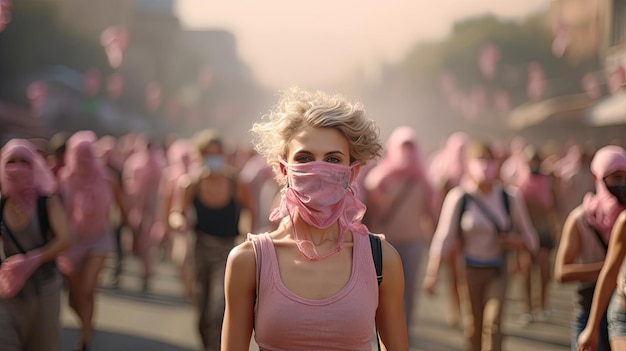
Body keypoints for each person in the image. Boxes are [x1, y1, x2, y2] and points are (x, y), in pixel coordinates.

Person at [220, 88, 408, 350]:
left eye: (332, 159)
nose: (319, 169)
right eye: (305, 158)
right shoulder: (249, 261)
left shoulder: (381, 260)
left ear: (351, 173)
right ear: (284, 169)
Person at [423, 139, 538, 351]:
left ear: (497, 164)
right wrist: (433, 274)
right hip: (469, 270)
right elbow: (443, 237)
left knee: (492, 324)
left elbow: (530, 237)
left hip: (498, 269)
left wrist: (516, 243)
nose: (485, 166)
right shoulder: (459, 197)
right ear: (469, 164)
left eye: (489, 161)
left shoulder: (509, 197)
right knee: (473, 328)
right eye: (480, 161)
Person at [169, 128, 254, 351]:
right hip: (199, 249)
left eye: (217, 153)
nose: (213, 158)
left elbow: (248, 210)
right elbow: (176, 211)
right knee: (201, 309)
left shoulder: (236, 182)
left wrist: (247, 233)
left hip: (226, 251)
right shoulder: (191, 184)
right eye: (208, 154)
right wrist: (178, 222)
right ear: (200, 156)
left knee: (218, 309)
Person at [56, 131, 129, 351]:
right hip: (73, 242)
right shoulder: (64, 179)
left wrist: (130, 232)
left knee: (88, 288)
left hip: (100, 239)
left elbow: (121, 207)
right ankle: (86, 322)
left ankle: (85, 338)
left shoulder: (108, 179)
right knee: (77, 294)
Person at [0, 139, 71, 351]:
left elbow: (65, 239)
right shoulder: (1, 204)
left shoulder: (47, 202)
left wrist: (33, 259)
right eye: (12, 161)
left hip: (44, 289)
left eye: (25, 161)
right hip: (7, 292)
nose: (18, 168)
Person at [363, 125, 436, 328]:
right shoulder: (380, 179)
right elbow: (372, 213)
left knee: (409, 289)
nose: (406, 151)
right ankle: (385, 330)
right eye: (403, 146)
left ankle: (404, 330)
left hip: (413, 243)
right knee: (384, 290)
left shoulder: (423, 181)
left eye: (410, 146)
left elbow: (431, 212)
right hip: (386, 243)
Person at [572, 146, 626, 351]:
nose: (621, 183)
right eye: (615, 176)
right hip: (616, 308)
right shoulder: (582, 218)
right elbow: (610, 273)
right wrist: (592, 326)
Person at [514, 145, 559, 323]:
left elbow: (553, 205)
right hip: (526, 229)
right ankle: (528, 308)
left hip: (544, 229)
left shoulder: (548, 180)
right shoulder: (520, 181)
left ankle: (542, 305)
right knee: (526, 268)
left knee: (544, 268)